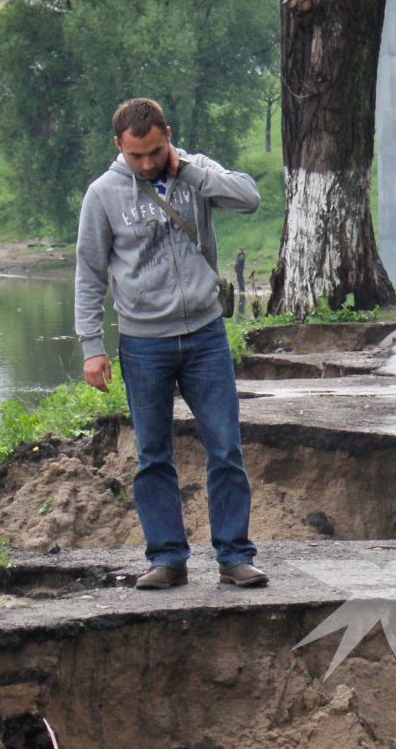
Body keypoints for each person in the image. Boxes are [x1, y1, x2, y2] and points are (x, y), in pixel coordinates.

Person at [76, 97, 268, 590]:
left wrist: (189, 172)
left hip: (205, 334)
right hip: (143, 342)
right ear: (118, 145)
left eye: (156, 152)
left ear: (168, 137)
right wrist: (91, 346)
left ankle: (234, 556)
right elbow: (90, 273)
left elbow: (249, 199)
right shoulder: (102, 194)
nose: (146, 163)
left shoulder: (195, 172)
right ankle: (167, 558)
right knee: (153, 453)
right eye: (136, 155)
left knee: (225, 446)